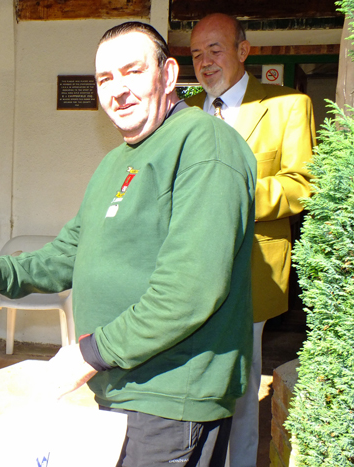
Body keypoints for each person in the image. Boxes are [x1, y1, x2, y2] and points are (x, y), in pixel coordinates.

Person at [0, 22, 257, 466]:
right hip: (123, 387)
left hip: (171, 397)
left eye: (132, 71)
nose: (118, 89)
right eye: (104, 79)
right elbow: (70, 251)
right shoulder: (118, 159)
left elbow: (190, 289)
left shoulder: (205, 145)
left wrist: (90, 353)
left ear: (169, 74)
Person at [186, 13, 316, 467]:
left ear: (243, 50)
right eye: (197, 53)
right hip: (187, 273)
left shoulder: (288, 105)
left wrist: (237, 194)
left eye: (215, 50)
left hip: (250, 271)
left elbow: (301, 185)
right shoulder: (183, 115)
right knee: (193, 381)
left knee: (241, 387)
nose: (205, 62)